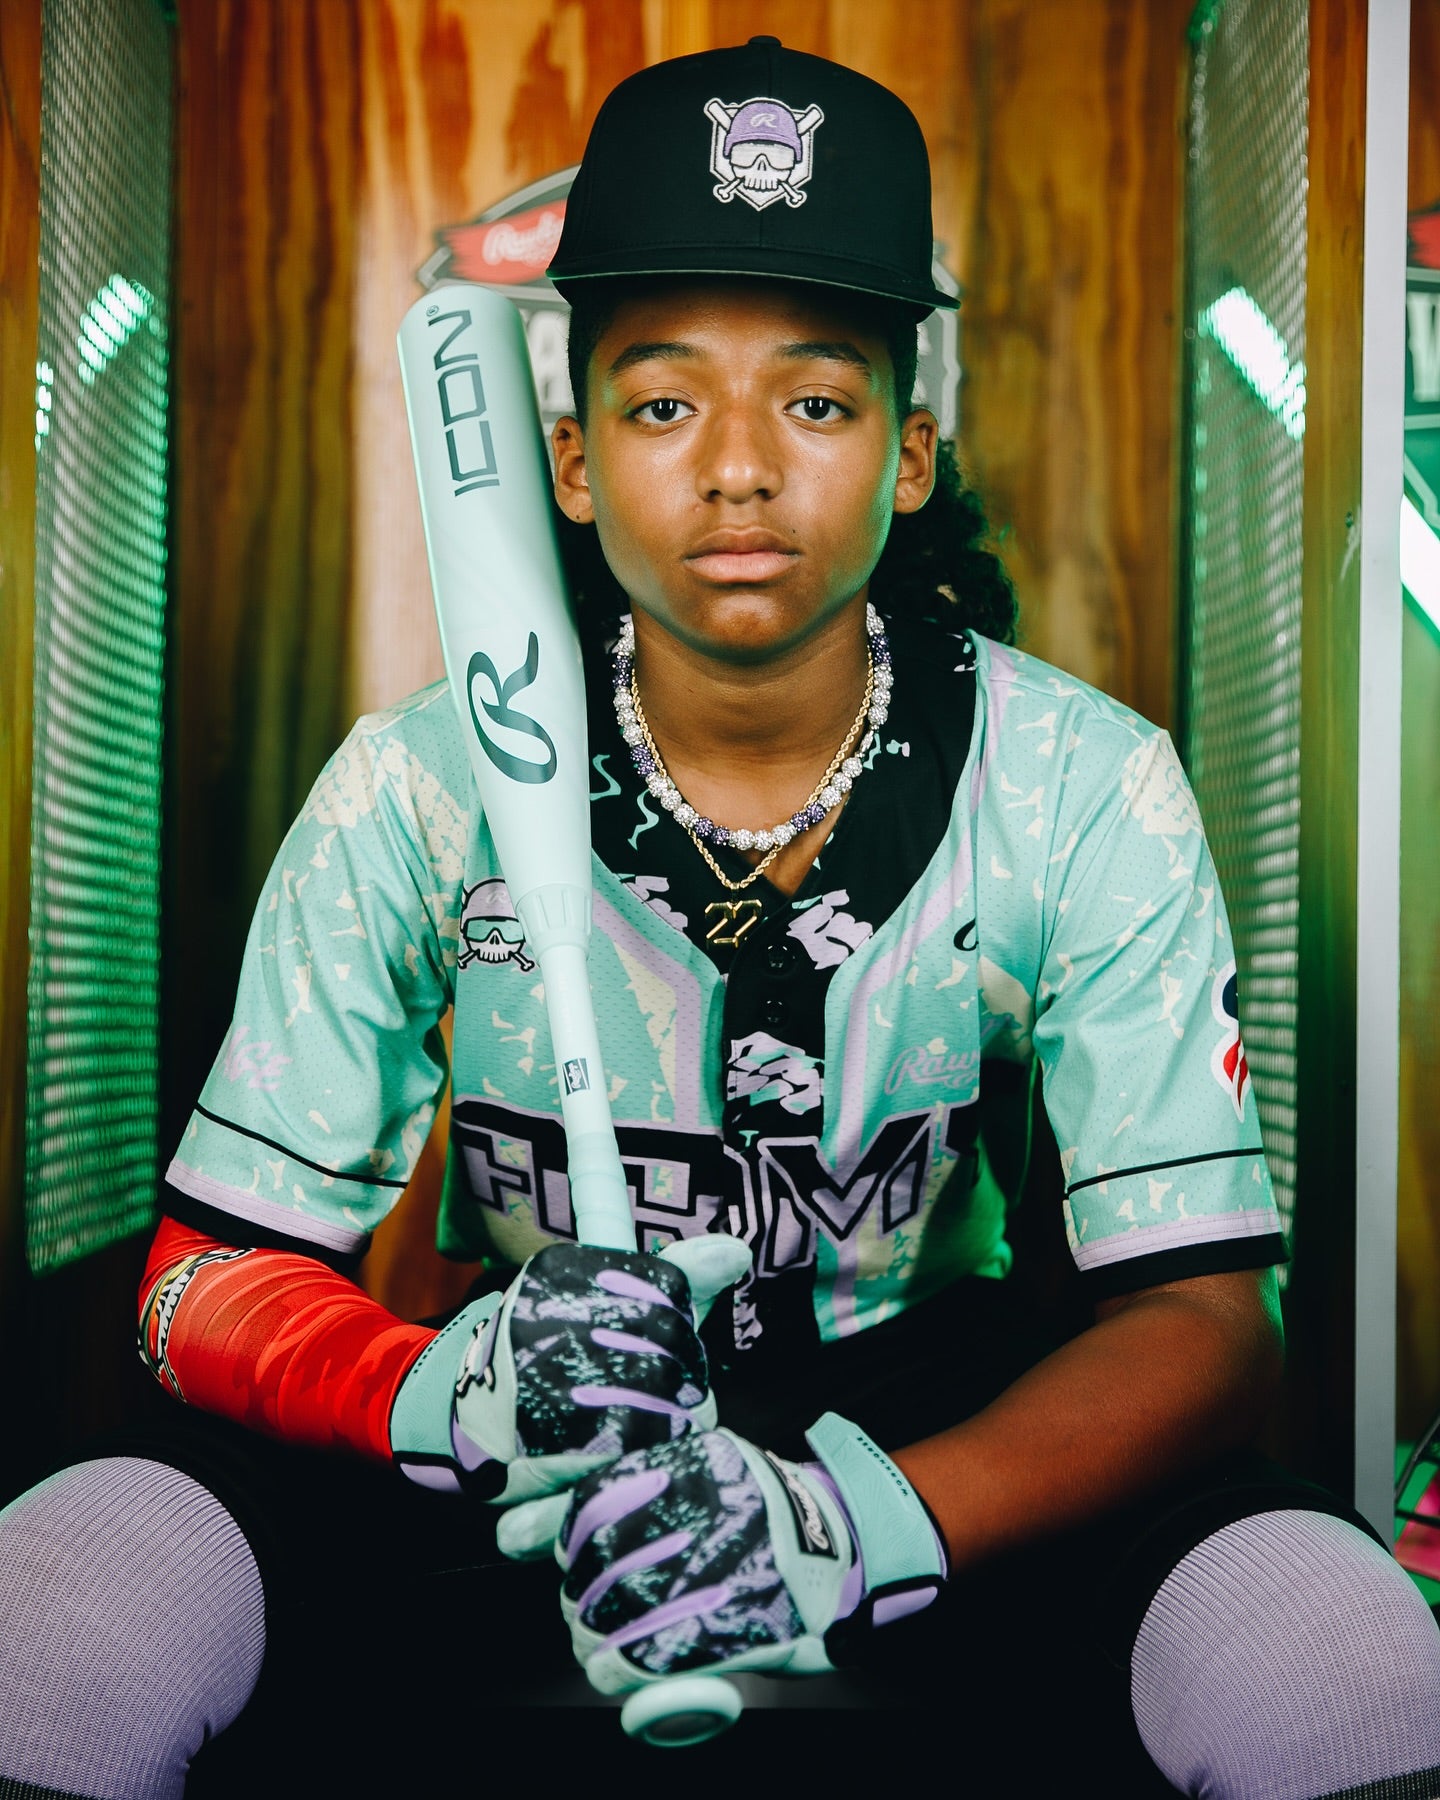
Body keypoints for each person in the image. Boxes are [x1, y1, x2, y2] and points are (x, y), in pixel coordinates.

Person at [3, 38, 1439, 1800]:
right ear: (579, 460)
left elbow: (1216, 1324)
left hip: (929, 1448)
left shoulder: (1083, 782)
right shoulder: (415, 783)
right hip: (534, 1427)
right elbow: (195, 1285)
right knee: (73, 1568)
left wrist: (857, 1520)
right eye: (665, 401)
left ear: (911, 453)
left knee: (1333, 1637)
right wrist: (439, 1393)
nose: (741, 468)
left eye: (818, 401)